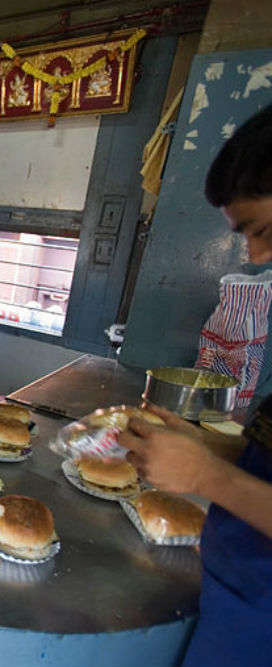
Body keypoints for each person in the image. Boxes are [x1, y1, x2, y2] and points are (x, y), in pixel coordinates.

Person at [119, 104, 272, 667]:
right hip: (235, 595)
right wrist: (213, 446)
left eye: (263, 230)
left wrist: (208, 475)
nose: (257, 257)